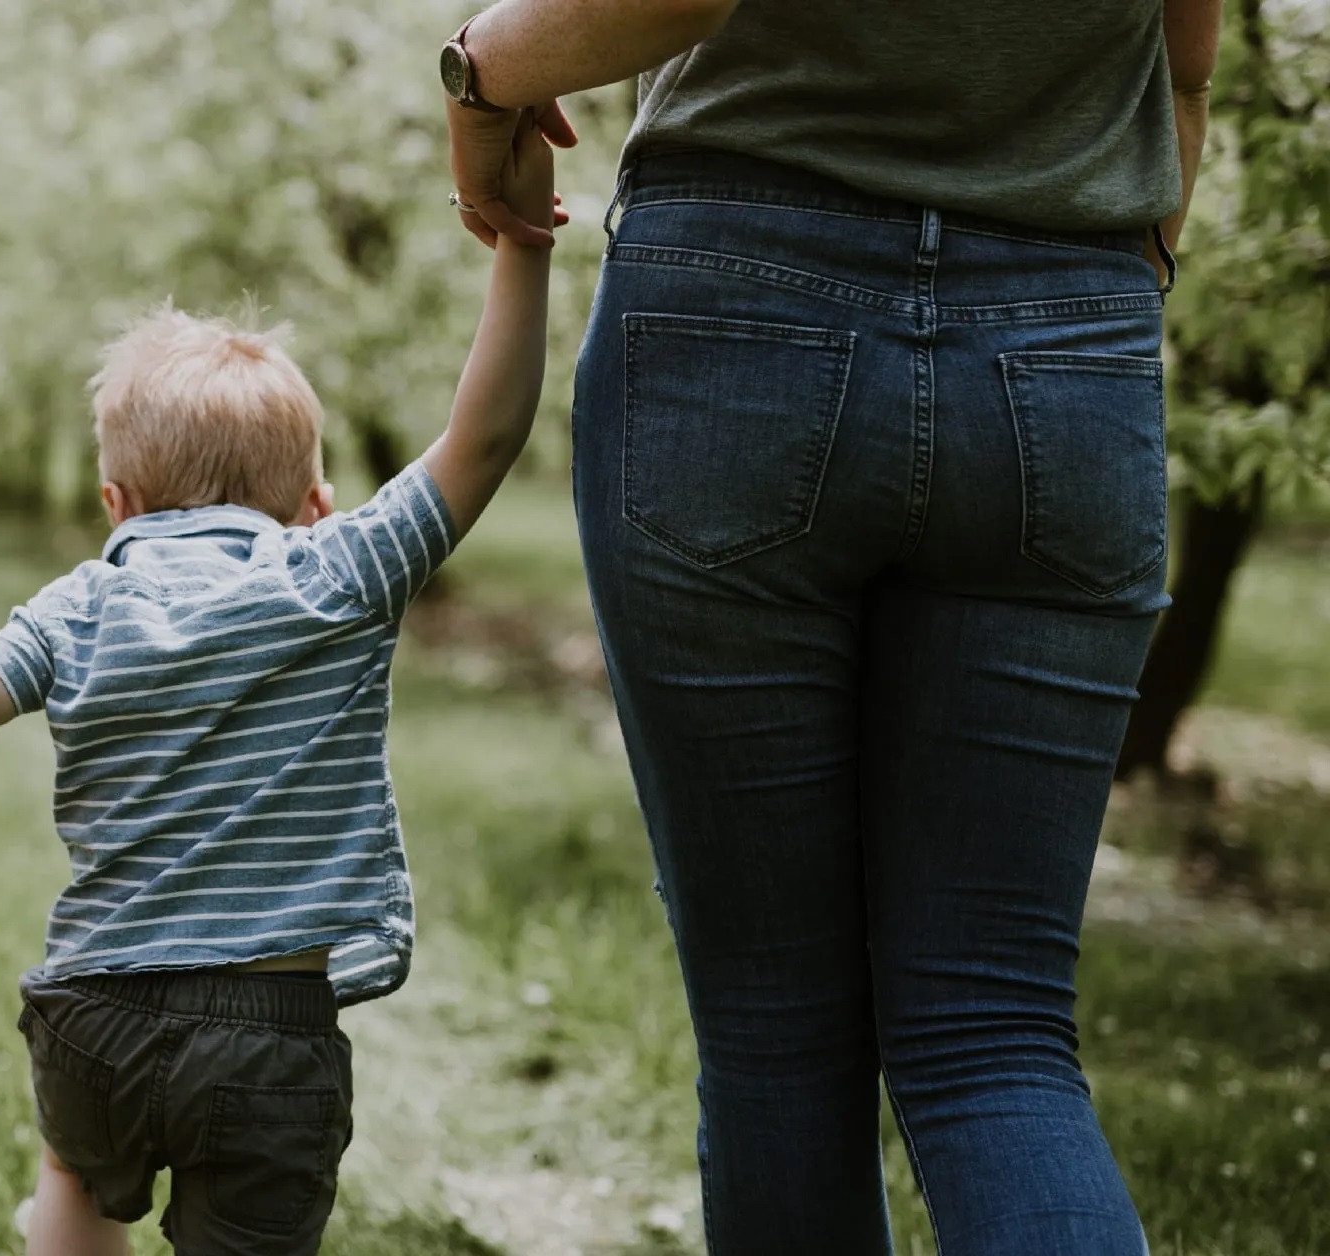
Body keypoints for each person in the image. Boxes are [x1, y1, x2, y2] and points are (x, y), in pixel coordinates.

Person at [0, 117, 563, 1256]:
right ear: (314, 497)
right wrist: (524, 248)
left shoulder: (79, 608)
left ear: (114, 501)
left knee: (73, 1168)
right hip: (273, 1036)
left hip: (97, 1017)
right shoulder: (342, 570)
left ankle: (61, 1224)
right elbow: (484, 436)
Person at [438, 0, 1221, 1251]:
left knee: (776, 1033)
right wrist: (1094, 280)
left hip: (742, 304)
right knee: (998, 1034)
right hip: (1069, 329)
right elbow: (1185, 64)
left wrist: (481, 78)